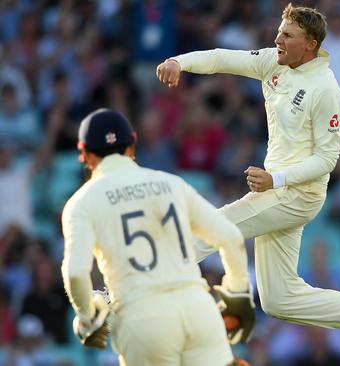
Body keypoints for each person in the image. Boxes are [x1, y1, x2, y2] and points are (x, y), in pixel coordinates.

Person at [156, 3, 340, 359]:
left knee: (216, 229)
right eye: (279, 31)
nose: (277, 38)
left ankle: (131, 286)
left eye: (287, 35)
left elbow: (327, 161)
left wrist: (275, 178)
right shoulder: (273, 63)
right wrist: (179, 62)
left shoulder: (326, 91)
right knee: (279, 298)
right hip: (277, 190)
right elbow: (221, 58)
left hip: (297, 195)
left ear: (309, 45)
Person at [60, 108, 253, 366]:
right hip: (198, 308)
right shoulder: (171, 183)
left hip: (142, 318)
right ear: (132, 145)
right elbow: (230, 237)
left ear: (84, 154)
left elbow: (75, 274)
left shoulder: (81, 203)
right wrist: (237, 294)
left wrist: (88, 316)